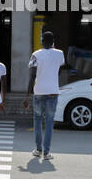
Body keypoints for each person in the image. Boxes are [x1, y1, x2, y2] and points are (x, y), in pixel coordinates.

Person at [23, 30, 65, 161]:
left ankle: (38, 149)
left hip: (39, 92)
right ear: (53, 42)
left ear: (41, 41)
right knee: (49, 123)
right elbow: (59, 69)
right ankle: (46, 153)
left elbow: (32, 76)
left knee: (37, 121)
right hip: (53, 91)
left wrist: (27, 96)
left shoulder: (36, 54)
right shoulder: (60, 53)